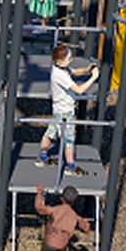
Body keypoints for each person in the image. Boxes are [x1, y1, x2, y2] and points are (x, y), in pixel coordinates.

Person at [38, 44, 101, 176]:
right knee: (69, 140)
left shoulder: (61, 67)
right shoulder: (60, 74)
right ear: (60, 61)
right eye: (69, 59)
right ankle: (70, 166)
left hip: (58, 109)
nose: (71, 60)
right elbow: (79, 90)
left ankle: (42, 157)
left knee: (50, 133)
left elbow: (74, 72)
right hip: (65, 112)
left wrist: (87, 70)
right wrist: (93, 77)